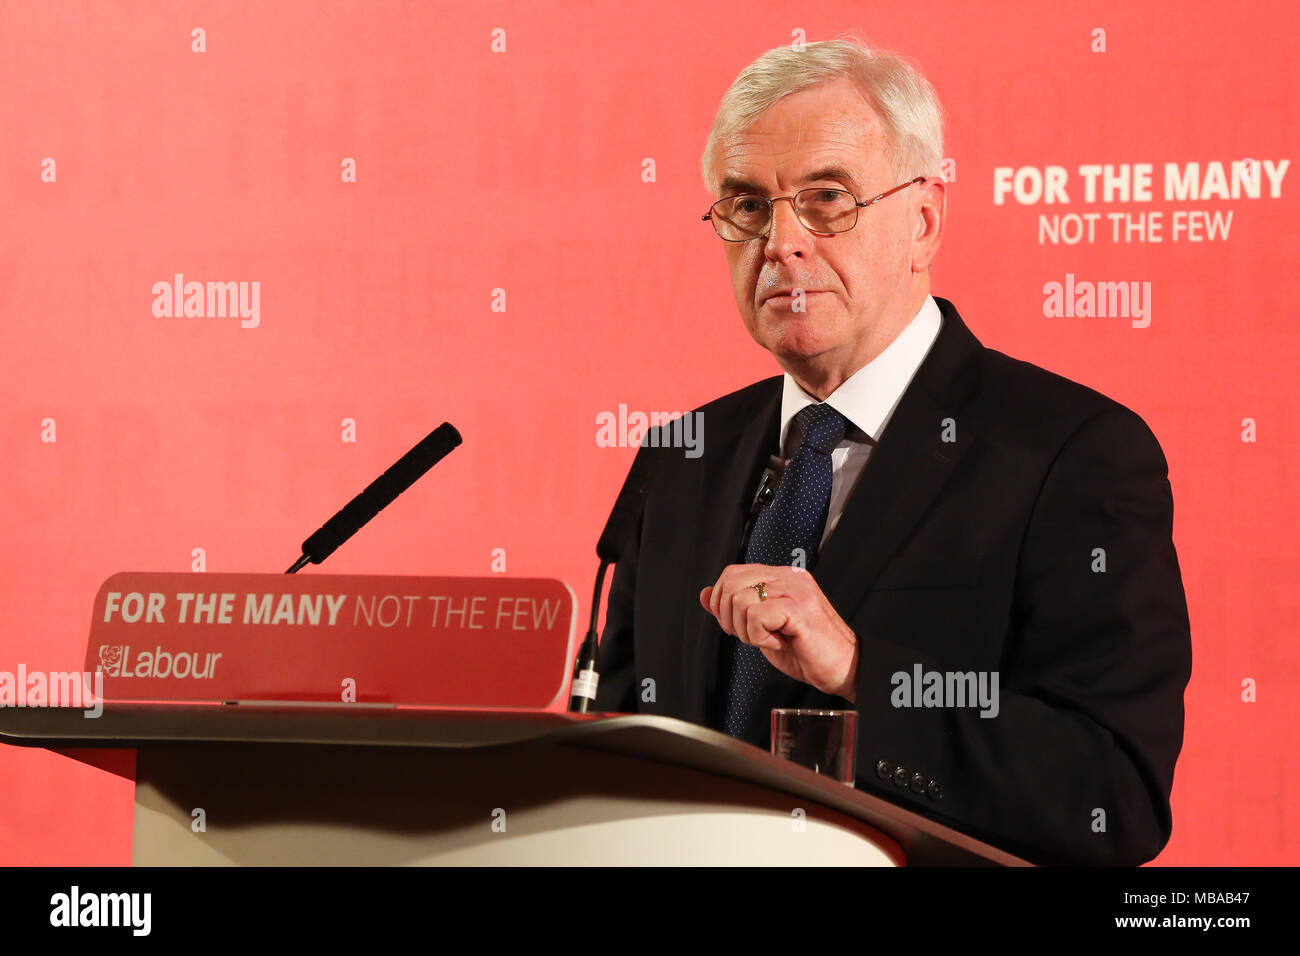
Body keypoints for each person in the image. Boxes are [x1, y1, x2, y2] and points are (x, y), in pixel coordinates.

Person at [592, 38, 1191, 867]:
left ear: (925, 219)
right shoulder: (682, 456)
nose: (783, 242)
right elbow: (616, 754)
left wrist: (861, 672)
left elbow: (1109, 794)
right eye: (747, 206)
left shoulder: (1071, 454)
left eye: (827, 199)